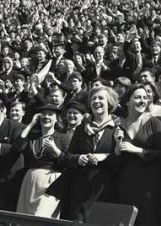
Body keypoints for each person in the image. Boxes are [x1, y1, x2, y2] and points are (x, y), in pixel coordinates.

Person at [47, 86, 120, 221]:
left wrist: (105, 157)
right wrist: (79, 158)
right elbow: (68, 157)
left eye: (100, 98)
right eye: (93, 98)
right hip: (80, 191)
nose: (96, 101)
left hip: (104, 190)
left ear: (109, 102)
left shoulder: (118, 128)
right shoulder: (82, 129)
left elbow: (122, 159)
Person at [115, 84, 161, 226]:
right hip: (127, 183)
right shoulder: (119, 125)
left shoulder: (155, 122)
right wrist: (117, 149)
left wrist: (137, 150)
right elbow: (116, 160)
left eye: (145, 97)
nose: (142, 101)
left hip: (149, 183)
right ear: (127, 102)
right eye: (137, 97)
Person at [15, 103, 70, 217]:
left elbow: (68, 161)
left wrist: (55, 149)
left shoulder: (63, 138)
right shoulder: (33, 137)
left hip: (52, 181)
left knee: (42, 216)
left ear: (56, 119)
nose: (46, 117)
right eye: (43, 114)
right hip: (31, 180)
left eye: (50, 114)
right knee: (26, 217)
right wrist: (30, 125)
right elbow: (17, 147)